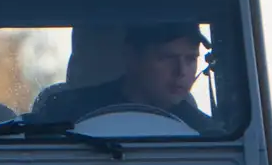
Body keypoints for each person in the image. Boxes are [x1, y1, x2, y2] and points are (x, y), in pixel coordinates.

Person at [33, 22, 217, 130]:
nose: (181, 71)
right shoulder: (64, 115)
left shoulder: (206, 134)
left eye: (191, 59)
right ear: (132, 57)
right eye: (167, 58)